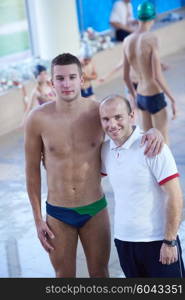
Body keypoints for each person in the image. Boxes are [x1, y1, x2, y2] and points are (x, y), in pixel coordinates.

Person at [24, 53, 163, 278]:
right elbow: (31, 173)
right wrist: (37, 219)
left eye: (71, 77)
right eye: (60, 78)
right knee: (64, 276)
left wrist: (153, 132)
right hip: (58, 213)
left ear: (82, 79)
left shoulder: (98, 112)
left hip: (94, 209)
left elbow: (127, 131)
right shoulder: (37, 119)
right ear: (52, 83)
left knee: (100, 273)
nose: (66, 83)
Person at [100, 94, 185, 278]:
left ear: (132, 116)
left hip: (157, 242)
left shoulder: (153, 147)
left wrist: (169, 241)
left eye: (118, 117)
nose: (112, 125)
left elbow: (175, 196)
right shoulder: (105, 151)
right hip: (124, 243)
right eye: (105, 119)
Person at [122, 1, 177, 144]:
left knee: (148, 143)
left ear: (138, 18)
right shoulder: (151, 38)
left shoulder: (127, 40)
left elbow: (125, 77)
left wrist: (134, 96)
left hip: (140, 96)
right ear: (152, 18)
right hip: (154, 95)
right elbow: (156, 76)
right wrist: (172, 99)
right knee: (163, 144)